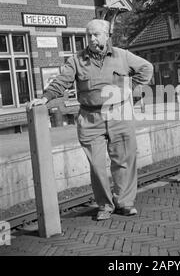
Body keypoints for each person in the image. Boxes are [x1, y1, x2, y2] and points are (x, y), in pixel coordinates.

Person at [27, 19, 153, 220]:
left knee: (124, 161)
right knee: (96, 165)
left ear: (107, 35)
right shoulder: (77, 60)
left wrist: (132, 91)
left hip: (119, 113)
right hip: (90, 117)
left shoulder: (123, 55)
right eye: (89, 35)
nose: (92, 39)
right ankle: (105, 205)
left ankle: (125, 203)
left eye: (96, 34)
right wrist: (45, 97)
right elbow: (62, 81)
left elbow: (147, 69)